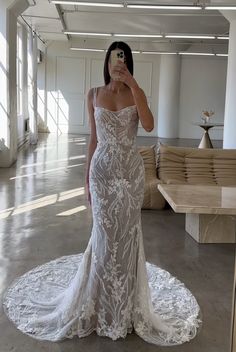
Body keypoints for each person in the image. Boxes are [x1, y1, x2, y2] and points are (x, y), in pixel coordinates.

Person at [3, 41, 201, 345]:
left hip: (131, 175)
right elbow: (94, 139)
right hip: (102, 174)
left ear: (128, 63)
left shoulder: (137, 93)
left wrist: (133, 84)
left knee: (128, 237)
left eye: (121, 60)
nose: (116, 65)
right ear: (106, 63)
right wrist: (86, 178)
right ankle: (100, 307)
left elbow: (148, 125)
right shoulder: (94, 94)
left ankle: (125, 309)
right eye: (112, 61)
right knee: (105, 237)